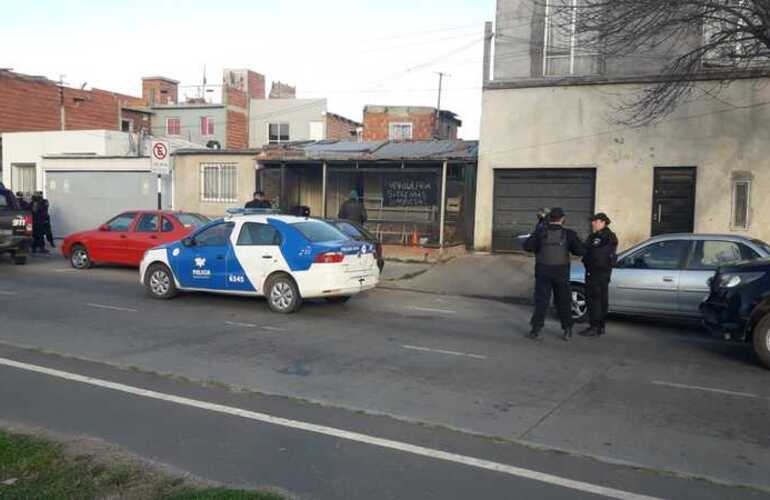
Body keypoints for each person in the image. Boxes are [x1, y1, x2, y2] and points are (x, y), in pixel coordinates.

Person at [523, 207, 585, 341]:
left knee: (541, 302)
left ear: (549, 218)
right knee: (563, 301)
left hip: (543, 270)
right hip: (561, 271)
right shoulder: (569, 234)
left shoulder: (540, 232)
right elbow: (579, 251)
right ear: (562, 219)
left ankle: (535, 330)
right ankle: (567, 329)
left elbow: (527, 247)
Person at [579, 213, 618, 338]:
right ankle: (597, 326)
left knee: (596, 301)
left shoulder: (608, 237)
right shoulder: (594, 236)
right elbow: (585, 250)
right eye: (593, 221)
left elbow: (598, 255)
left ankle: (596, 327)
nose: (593, 223)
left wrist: (588, 258)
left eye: (595, 221)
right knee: (595, 300)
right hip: (594, 272)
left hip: (599, 273)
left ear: (603, 222)